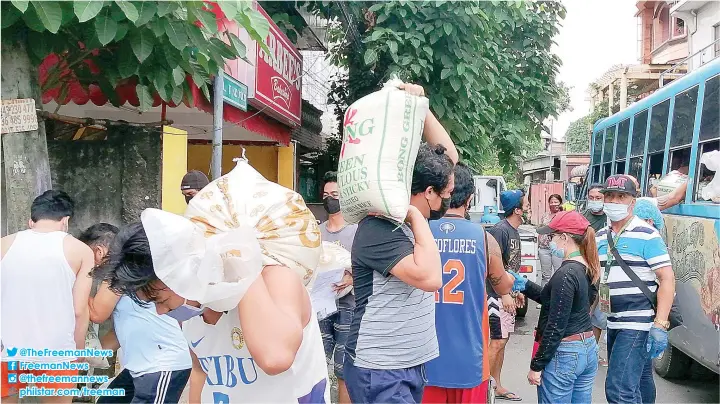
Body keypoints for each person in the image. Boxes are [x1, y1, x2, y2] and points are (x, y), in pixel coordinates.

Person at [344, 82, 459, 404]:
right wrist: (416, 217)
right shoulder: (379, 227)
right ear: (428, 193)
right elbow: (429, 278)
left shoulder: (409, 221)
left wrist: (420, 107)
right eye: (445, 195)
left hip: (408, 361)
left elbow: (450, 158)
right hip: (380, 366)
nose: (449, 200)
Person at [423, 162, 518, 404]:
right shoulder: (484, 239)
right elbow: (503, 286)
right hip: (470, 359)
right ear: (471, 198)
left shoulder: (419, 232)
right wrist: (511, 277)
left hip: (424, 357)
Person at [1, 190, 95, 404]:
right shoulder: (81, 251)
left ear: (31, 221)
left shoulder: (3, 245)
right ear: (66, 220)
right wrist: (78, 351)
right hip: (58, 351)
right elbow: (79, 310)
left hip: (9, 350)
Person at [83, 223, 192, 404]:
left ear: (99, 252)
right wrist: (86, 356)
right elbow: (120, 334)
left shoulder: (118, 276)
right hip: (139, 369)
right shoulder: (127, 275)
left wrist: (75, 280)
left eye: (86, 256)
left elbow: (96, 314)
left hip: (162, 366)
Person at [597, 175, 676, 404]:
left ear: (632, 202)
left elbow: (667, 279)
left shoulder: (647, 234)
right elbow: (599, 280)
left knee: (620, 390)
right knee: (640, 382)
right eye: (610, 196)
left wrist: (660, 324)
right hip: (613, 320)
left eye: (621, 196)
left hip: (637, 322)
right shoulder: (602, 237)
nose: (614, 201)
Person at [511, 211, 601, 403]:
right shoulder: (587, 267)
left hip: (566, 353)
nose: (549, 242)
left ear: (564, 237)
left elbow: (556, 324)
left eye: (551, 237)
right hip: (587, 347)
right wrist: (525, 284)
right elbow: (552, 299)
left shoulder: (566, 274)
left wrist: (537, 365)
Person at [318, 170, 358, 404]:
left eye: (334, 194)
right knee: (317, 365)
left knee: (344, 370)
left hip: (348, 307)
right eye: (325, 194)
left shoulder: (357, 230)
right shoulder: (317, 232)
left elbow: (367, 269)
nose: (329, 199)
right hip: (320, 307)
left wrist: (352, 280)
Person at [486, 189, 529, 402]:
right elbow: (492, 266)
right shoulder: (500, 231)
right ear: (518, 209)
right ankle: (483, 387)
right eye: (525, 203)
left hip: (507, 293)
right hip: (495, 295)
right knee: (496, 341)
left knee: (503, 341)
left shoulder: (514, 230)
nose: (528, 205)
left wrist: (515, 291)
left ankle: (497, 385)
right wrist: (503, 294)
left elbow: (510, 267)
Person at [583, 183, 608, 364]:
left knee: (601, 315)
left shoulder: (611, 218)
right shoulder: (583, 219)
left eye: (598, 198)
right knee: (586, 312)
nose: (594, 201)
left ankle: (594, 350)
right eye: (591, 197)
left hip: (606, 278)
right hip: (587, 273)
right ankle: (586, 351)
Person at [537, 194, 564, 310]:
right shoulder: (545, 216)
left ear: (560, 203)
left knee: (559, 273)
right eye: (552, 202)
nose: (554, 204)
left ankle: (559, 299)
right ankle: (543, 299)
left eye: (556, 202)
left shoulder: (563, 215)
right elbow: (540, 229)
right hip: (544, 248)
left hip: (557, 248)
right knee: (545, 276)